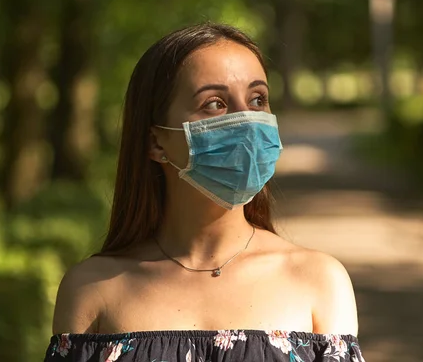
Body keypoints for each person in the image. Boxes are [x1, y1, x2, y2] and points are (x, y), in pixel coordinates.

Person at [44, 23, 365, 362]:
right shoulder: (92, 289)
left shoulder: (318, 280)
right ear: (155, 141)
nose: (247, 121)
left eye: (258, 99)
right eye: (215, 104)